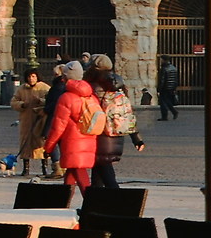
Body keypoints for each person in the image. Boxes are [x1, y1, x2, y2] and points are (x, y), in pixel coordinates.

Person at [38, 66, 103, 201]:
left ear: (66, 77)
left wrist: (49, 146)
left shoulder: (67, 97)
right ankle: (64, 201)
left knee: (79, 172)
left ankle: (91, 202)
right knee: (72, 171)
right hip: (89, 138)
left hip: (73, 140)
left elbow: (58, 126)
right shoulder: (91, 96)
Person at [85, 54, 145, 191]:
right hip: (116, 133)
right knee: (100, 171)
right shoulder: (118, 86)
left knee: (107, 175)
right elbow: (127, 114)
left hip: (100, 134)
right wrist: (137, 138)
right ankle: (96, 201)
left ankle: (118, 200)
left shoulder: (93, 86)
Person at [11, 67, 49, 171]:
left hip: (40, 120)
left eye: (33, 76)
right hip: (26, 120)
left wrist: (40, 101)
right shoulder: (21, 89)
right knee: (25, 142)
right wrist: (22, 104)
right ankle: (26, 168)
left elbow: (51, 101)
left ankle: (44, 167)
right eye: (29, 77)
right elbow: (13, 102)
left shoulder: (44, 88)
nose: (31, 79)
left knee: (41, 143)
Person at [156, 56, 181, 122]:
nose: (160, 61)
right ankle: (174, 112)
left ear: (164, 60)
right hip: (171, 88)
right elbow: (176, 79)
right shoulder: (174, 68)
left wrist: (158, 89)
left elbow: (162, 80)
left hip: (165, 88)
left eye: (161, 59)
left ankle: (165, 116)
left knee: (163, 102)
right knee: (167, 101)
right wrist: (174, 88)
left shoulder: (164, 68)